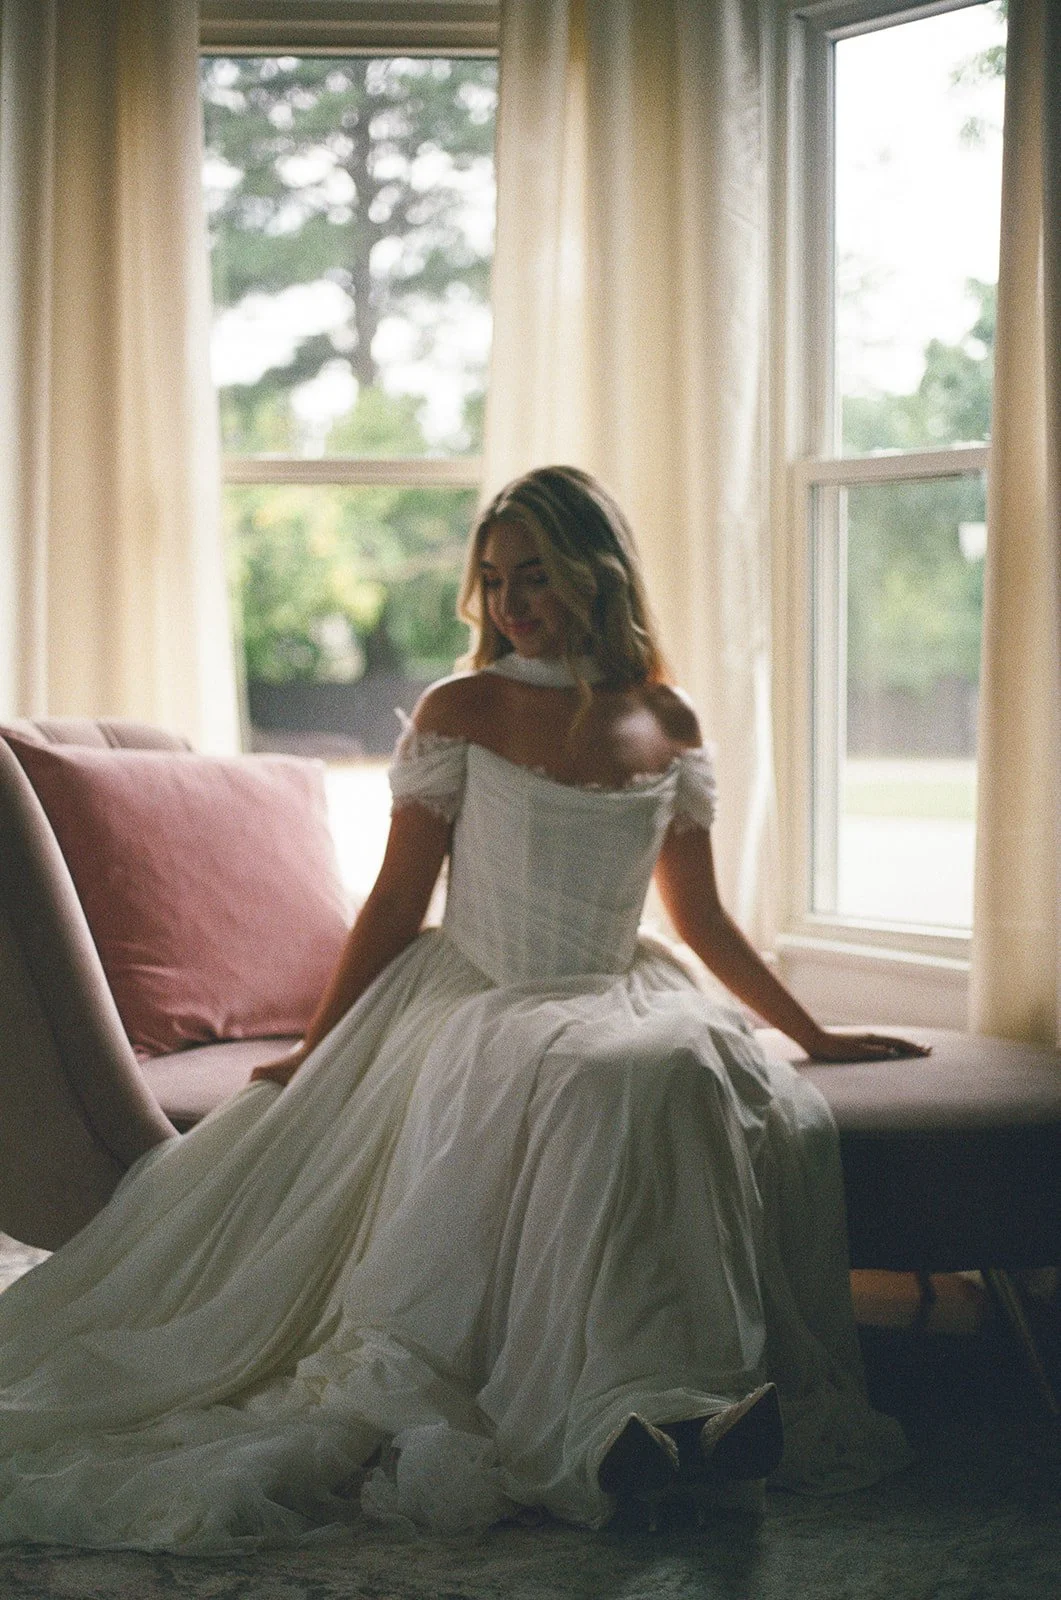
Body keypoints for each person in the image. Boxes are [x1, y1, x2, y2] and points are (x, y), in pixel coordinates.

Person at [0, 466, 921, 1551]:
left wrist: (810, 1036)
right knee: (608, 1074)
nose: (509, 600)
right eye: (491, 579)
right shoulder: (463, 710)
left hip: (619, 987)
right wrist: (317, 1050)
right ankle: (600, 1421)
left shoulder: (664, 719)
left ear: (597, 571)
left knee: (671, 1066)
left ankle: (684, 1409)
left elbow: (703, 918)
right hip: (482, 990)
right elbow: (396, 898)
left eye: (532, 573)